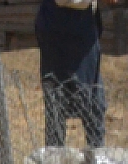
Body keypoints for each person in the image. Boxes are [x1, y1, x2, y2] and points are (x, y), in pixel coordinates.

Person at [36, 0, 117, 148]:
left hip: (85, 29)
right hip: (59, 30)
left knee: (94, 100)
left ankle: (96, 154)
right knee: (57, 98)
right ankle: (55, 157)